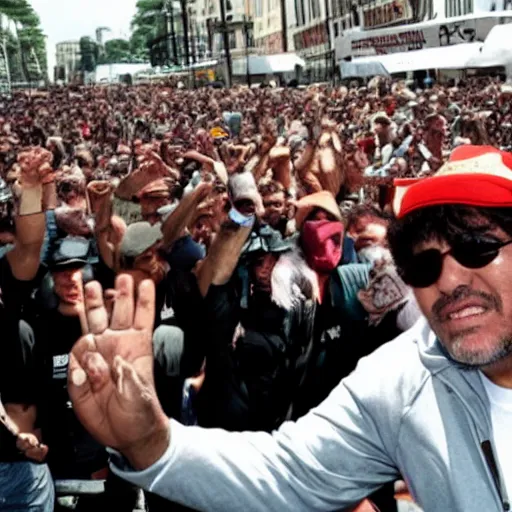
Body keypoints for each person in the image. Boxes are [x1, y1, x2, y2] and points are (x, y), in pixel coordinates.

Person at [68, 144, 512, 511]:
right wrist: (151, 442)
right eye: (424, 263)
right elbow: (287, 471)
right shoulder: (401, 382)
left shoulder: (354, 290)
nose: (449, 280)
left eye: (477, 248)